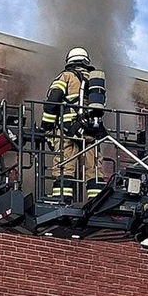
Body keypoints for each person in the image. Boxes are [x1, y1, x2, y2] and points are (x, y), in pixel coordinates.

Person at [40, 47, 107, 204]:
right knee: (94, 168)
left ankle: (62, 198)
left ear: (69, 61)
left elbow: (52, 104)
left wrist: (46, 126)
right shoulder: (95, 80)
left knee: (64, 164)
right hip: (93, 130)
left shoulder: (66, 77)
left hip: (69, 130)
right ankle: (96, 201)